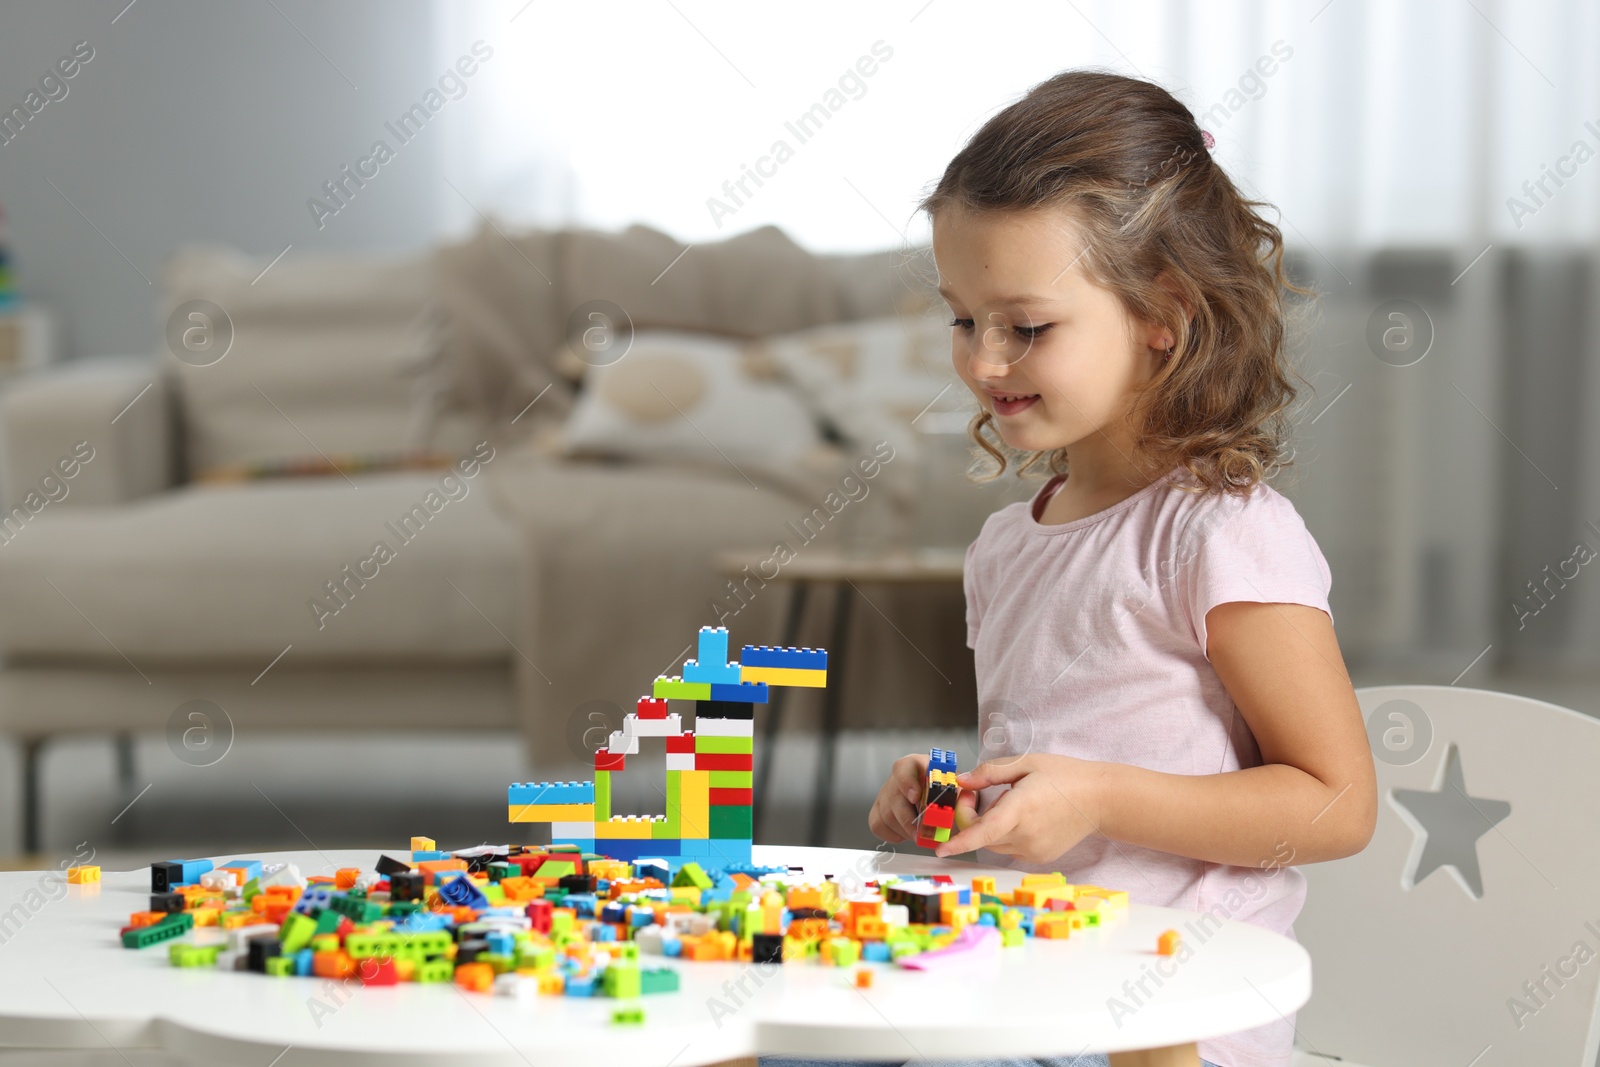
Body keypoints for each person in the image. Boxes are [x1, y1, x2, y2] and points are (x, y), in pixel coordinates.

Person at [815, 69, 1377, 1067]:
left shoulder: (1219, 532)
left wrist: (1098, 796)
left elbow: (1336, 804)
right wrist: (967, 794)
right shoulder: (1006, 544)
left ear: (1162, 311)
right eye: (961, 317)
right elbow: (1064, 762)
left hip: (1172, 1019)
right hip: (1030, 984)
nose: (985, 362)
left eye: (1026, 326)